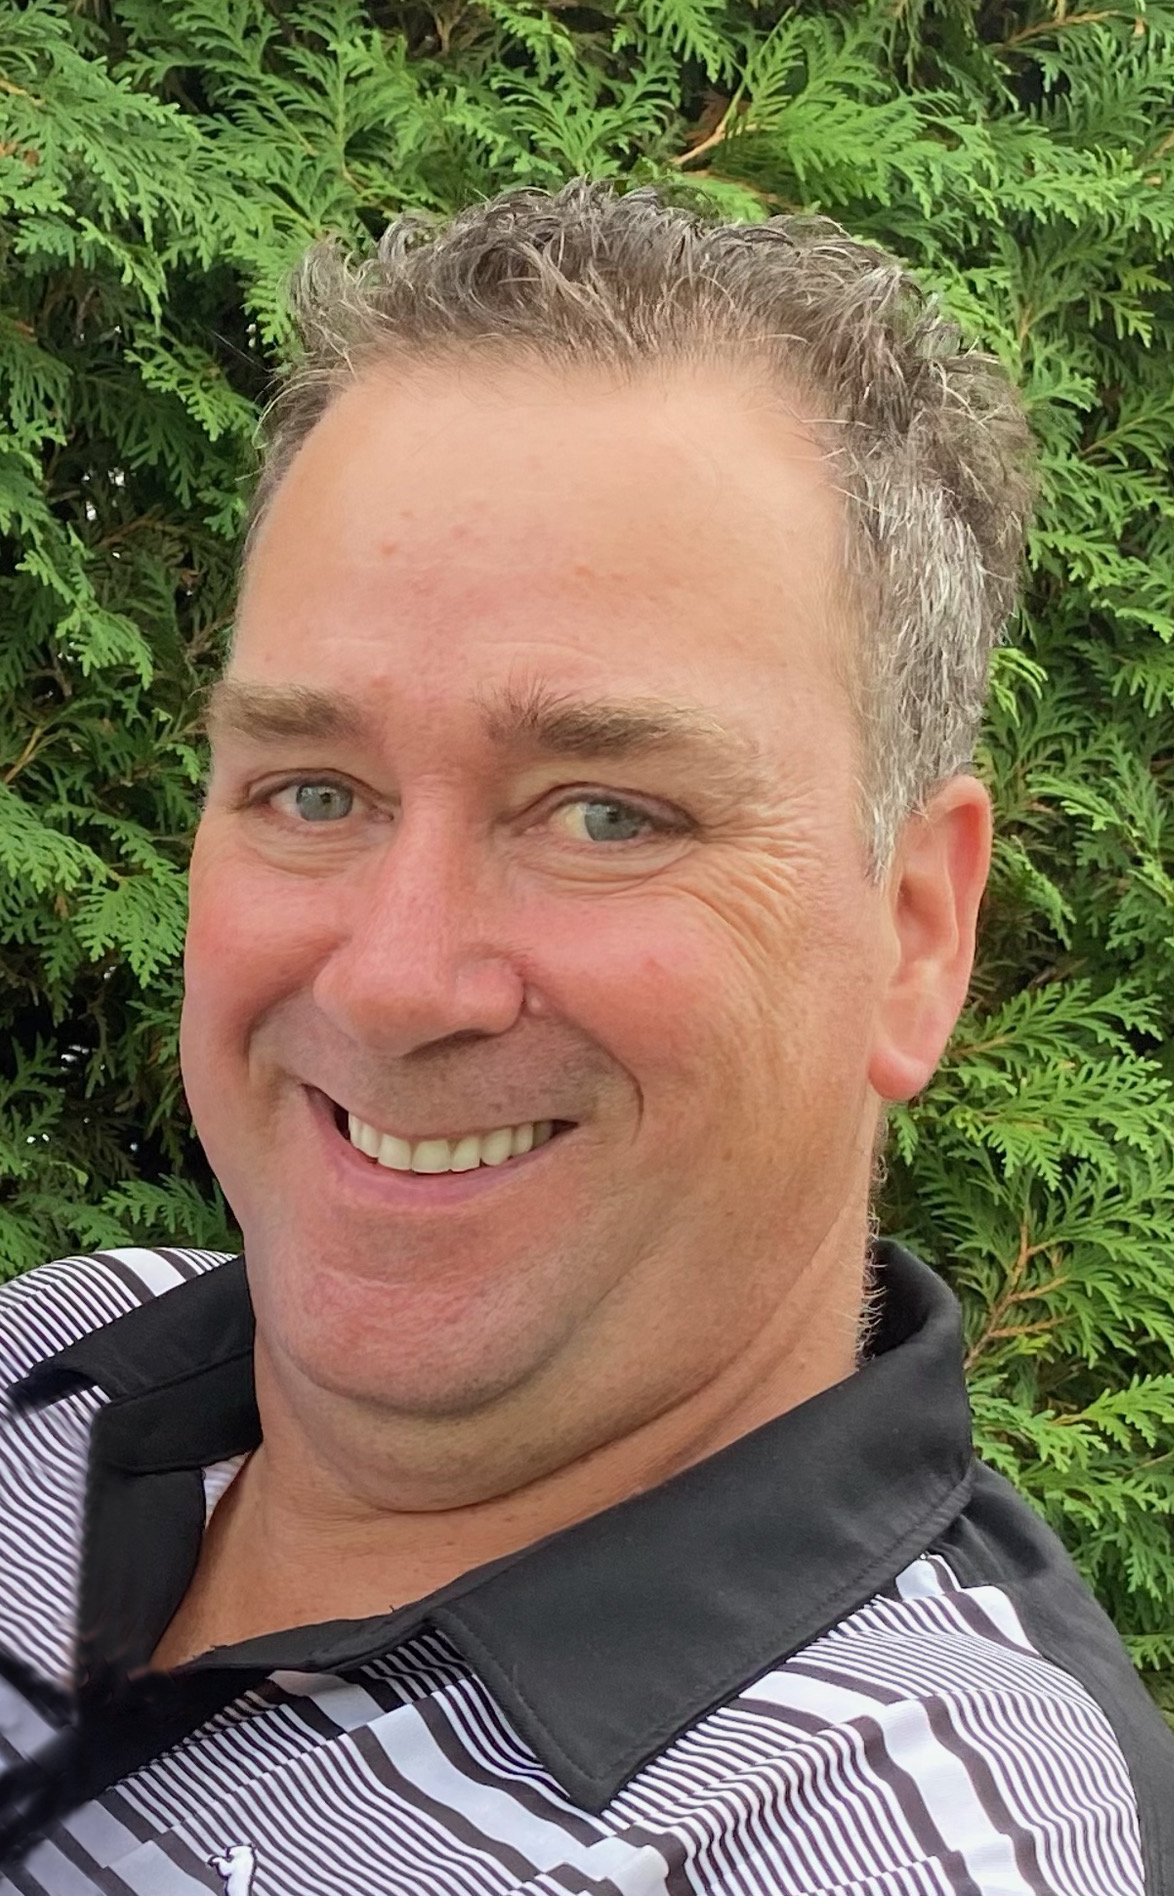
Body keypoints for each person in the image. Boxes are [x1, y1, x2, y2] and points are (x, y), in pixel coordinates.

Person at [1, 177, 1170, 1895]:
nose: (394, 981)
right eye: (312, 789)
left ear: (915, 934)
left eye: (608, 813)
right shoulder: (60, 1352)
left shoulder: (890, 1832)